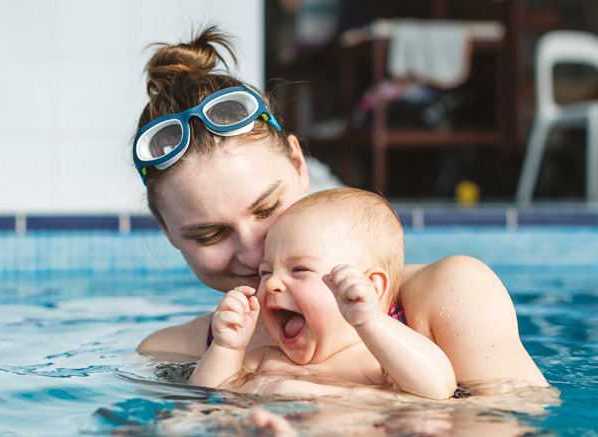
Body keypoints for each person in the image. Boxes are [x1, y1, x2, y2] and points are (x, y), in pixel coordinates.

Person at [134, 26, 547, 387]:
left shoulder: (448, 295)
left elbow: (511, 421)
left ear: (299, 164)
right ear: (166, 230)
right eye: (210, 234)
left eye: (266, 209)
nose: (255, 250)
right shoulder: (175, 352)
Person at [190, 188, 456, 400]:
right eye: (265, 272)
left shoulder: (380, 363)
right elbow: (204, 399)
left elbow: (439, 388)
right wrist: (226, 347)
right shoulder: (263, 359)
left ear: (371, 288)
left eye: (299, 269)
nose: (271, 285)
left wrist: (371, 320)